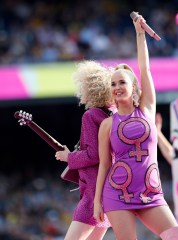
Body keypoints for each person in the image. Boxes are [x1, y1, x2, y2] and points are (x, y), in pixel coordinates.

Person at [93, 14, 178, 240]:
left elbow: (146, 69)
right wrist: (97, 201)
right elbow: (104, 164)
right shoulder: (107, 124)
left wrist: (140, 33)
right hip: (117, 195)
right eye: (113, 84)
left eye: (122, 82)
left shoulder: (146, 109)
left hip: (151, 193)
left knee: (175, 236)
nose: (116, 87)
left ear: (133, 86)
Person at [55, 60, 114, 240]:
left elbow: (93, 155)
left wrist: (69, 157)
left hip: (93, 195)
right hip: (109, 192)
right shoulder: (110, 116)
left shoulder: (91, 115)